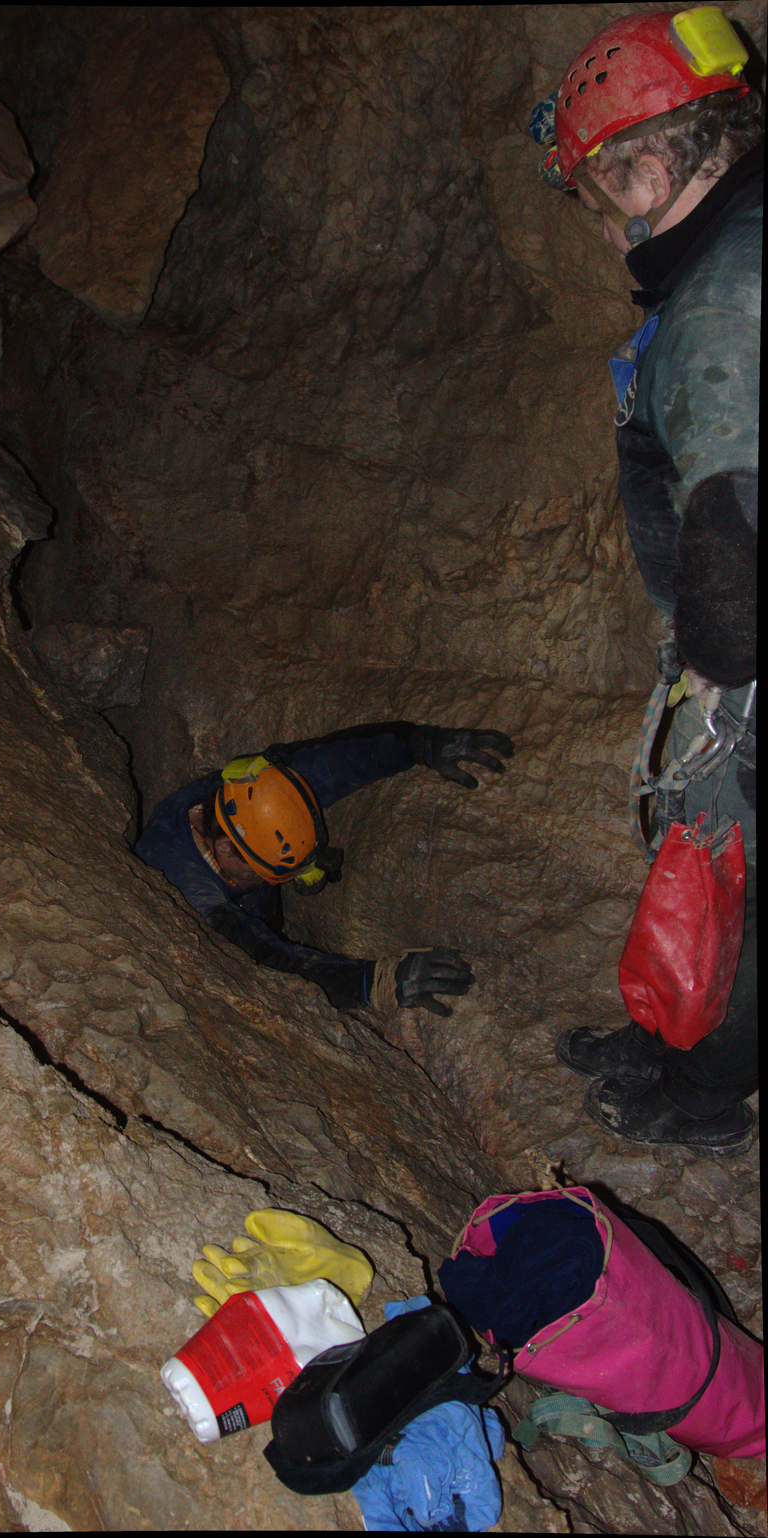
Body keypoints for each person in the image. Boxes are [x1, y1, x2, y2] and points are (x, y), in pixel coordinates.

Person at [531, 7, 759, 1156]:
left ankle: (704, 1093)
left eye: (601, 194)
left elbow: (735, 515)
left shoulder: (719, 305)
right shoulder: (742, 244)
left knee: (735, 885)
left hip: (747, 660)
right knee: (708, 866)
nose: (609, 225)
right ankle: (671, 1036)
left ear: (651, 172)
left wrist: (715, 686)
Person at [135, 722, 514, 1014]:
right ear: (223, 848)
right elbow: (261, 954)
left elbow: (335, 762)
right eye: (266, 872)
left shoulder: (250, 789)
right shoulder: (183, 889)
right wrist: (374, 982)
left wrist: (418, 744)